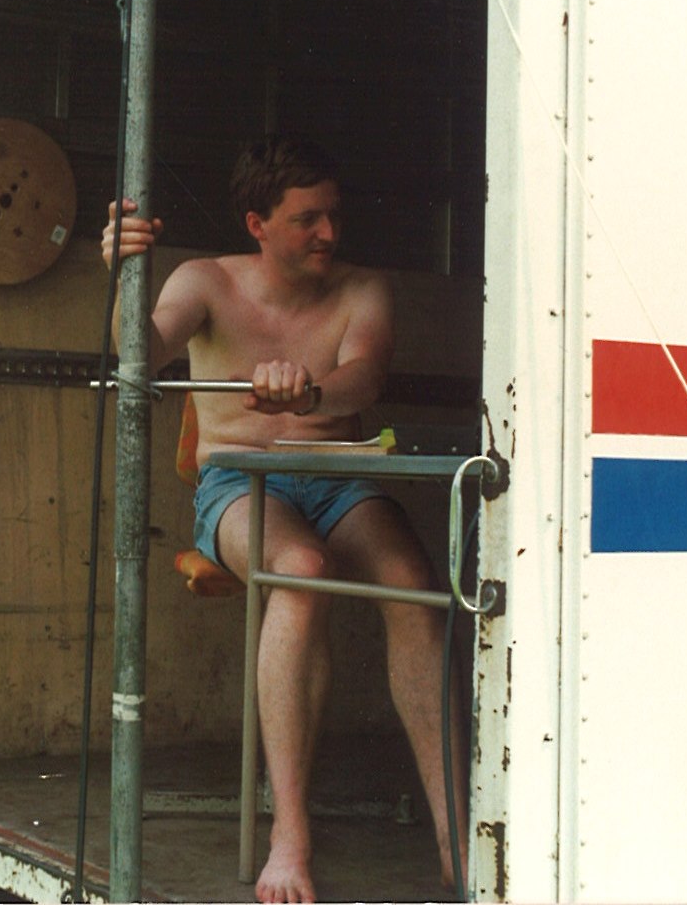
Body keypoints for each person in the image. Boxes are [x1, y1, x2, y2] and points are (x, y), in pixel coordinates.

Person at [101, 136, 466, 905]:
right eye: (307, 220)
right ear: (257, 224)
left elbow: (365, 374)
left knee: (411, 580)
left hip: (341, 476)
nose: (329, 233)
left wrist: (312, 395)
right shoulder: (205, 280)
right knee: (300, 570)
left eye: (334, 215)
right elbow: (143, 350)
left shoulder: (364, 287)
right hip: (238, 483)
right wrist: (123, 276)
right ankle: (289, 833)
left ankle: (454, 835)